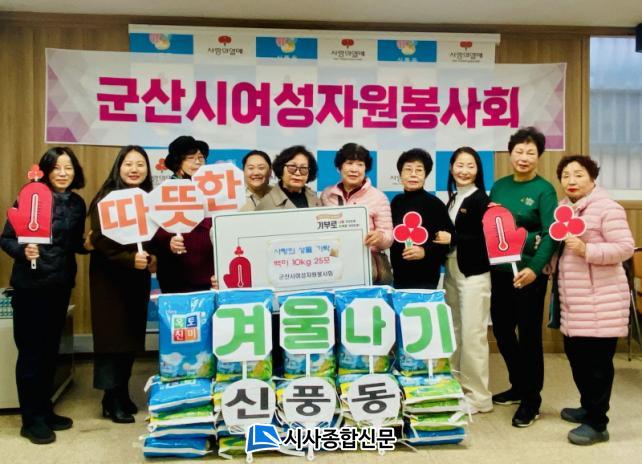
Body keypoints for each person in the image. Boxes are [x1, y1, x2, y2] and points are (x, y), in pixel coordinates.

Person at [1, 147, 87, 444]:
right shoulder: (31, 196)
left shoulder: (76, 203)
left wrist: (89, 245)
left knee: (50, 351)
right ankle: (31, 420)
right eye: (57, 167)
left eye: (68, 167)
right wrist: (22, 251)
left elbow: (74, 244)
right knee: (31, 354)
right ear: (46, 171)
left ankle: (45, 410)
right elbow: (6, 238)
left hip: (60, 285)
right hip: (30, 287)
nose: (63, 173)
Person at [554, 155, 633, 445]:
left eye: (578, 174)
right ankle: (588, 407)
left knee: (597, 365)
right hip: (574, 301)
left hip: (602, 302)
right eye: (566, 175)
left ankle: (598, 424)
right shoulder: (563, 209)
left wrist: (587, 250)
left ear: (592, 178)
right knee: (577, 358)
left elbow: (625, 248)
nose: (571, 180)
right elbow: (564, 251)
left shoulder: (607, 208)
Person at [489, 127, 558, 427]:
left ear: (538, 156)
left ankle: (532, 400)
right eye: (519, 151)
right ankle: (518, 385)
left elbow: (552, 234)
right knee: (503, 331)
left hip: (529, 274)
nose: (524, 157)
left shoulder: (544, 190)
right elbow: (492, 226)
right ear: (511, 153)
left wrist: (534, 268)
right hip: (500, 271)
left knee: (529, 337)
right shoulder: (499, 187)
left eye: (531, 152)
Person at [87, 145, 156, 424]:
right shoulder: (105, 198)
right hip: (110, 280)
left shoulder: (149, 199)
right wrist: (130, 259)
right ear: (119, 167)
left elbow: (154, 235)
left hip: (136, 279)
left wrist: (152, 257)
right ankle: (110, 398)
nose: (134, 169)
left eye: (140, 164)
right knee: (111, 339)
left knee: (129, 337)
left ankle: (122, 392)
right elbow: (99, 240)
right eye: (128, 163)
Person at [434, 147, 492, 414]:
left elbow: (487, 239)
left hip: (474, 274)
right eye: (460, 165)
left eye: (470, 166)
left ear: (478, 170)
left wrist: (454, 238)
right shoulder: (454, 198)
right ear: (451, 168)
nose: (464, 171)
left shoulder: (482, 199)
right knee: (455, 330)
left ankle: (479, 396)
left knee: (473, 334)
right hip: (453, 270)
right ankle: (456, 385)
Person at [320, 143, 393, 284]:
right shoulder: (327, 194)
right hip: (334, 264)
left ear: (366, 168)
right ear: (339, 167)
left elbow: (388, 237)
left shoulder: (378, 197)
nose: (354, 169)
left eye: (360, 164)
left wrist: (379, 237)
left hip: (367, 265)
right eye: (349, 163)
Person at [152, 136, 215, 293]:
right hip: (176, 274)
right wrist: (169, 241)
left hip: (209, 274)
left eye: (201, 157)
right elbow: (155, 230)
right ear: (178, 162)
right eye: (191, 158)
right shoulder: (164, 191)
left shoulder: (213, 190)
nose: (198, 162)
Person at [390, 148, 453, 289]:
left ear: (426, 175)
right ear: (400, 174)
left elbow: (447, 241)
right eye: (408, 169)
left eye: (419, 170)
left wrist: (425, 252)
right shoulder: (396, 202)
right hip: (399, 276)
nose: (413, 174)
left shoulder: (435, 204)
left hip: (426, 277)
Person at [255, 145, 321, 210]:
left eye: (303, 168)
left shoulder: (315, 197)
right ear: (281, 169)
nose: (297, 173)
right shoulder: (266, 204)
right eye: (292, 167)